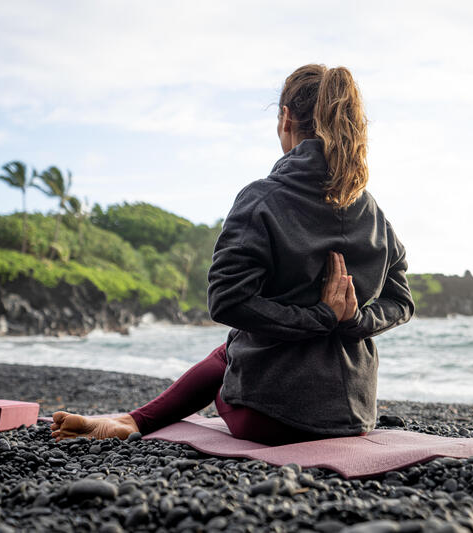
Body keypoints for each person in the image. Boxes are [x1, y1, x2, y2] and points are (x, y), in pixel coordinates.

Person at [51, 64, 415, 445]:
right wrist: (352, 319)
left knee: (228, 352)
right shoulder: (372, 212)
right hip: (353, 417)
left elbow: (226, 302)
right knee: (236, 350)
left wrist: (320, 317)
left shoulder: (262, 199)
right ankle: (131, 420)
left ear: (286, 119)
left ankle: (134, 420)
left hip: (267, 420)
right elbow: (401, 301)